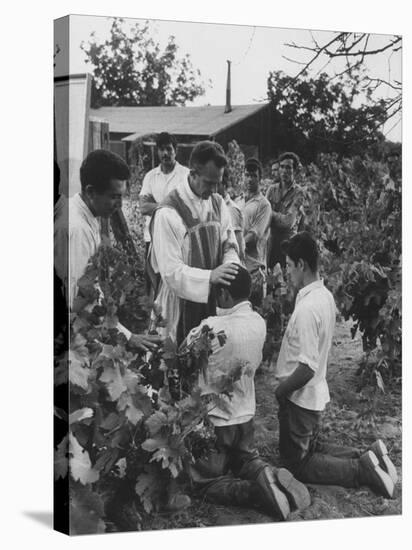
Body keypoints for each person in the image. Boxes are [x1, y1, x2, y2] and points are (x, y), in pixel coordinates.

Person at [274, 232, 397, 498]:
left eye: (288, 265)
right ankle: (368, 456)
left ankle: (361, 471)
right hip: (314, 393)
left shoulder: (307, 309)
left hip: (300, 397)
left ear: (301, 265)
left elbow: (306, 366)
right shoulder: (324, 296)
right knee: (313, 446)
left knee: (298, 463)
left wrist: (282, 391)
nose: (286, 272)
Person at [186, 266, 310, 520]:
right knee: (246, 460)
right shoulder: (258, 323)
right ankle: (270, 475)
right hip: (245, 419)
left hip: (214, 424)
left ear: (225, 296)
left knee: (204, 481)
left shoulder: (208, 329)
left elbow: (183, 356)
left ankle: (256, 493)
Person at [54, 148, 161, 352]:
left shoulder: (89, 215)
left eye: (122, 196)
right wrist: (128, 337)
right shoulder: (77, 230)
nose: (119, 205)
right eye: (114, 197)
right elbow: (76, 304)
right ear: (91, 191)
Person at [150, 140, 240, 344]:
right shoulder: (168, 213)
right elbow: (171, 272)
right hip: (179, 305)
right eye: (209, 182)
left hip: (211, 300)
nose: (214, 189)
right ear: (192, 173)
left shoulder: (217, 203)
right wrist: (209, 277)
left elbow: (229, 242)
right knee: (178, 363)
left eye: (218, 182)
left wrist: (230, 266)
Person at [139, 132, 190, 255]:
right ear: (157, 151)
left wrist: (155, 205)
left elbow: (188, 207)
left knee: (176, 273)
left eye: (169, 149)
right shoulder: (150, 176)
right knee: (152, 273)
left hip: (178, 238)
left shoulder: (186, 175)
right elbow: (143, 207)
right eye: (161, 149)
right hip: (152, 237)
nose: (165, 153)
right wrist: (173, 205)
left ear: (175, 150)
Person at [266, 152, 306, 269]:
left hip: (289, 247)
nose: (284, 171)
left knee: (286, 281)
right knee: (269, 280)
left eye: (288, 167)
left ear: (295, 171)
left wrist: (270, 213)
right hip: (271, 245)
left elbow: (288, 222)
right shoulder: (271, 190)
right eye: (282, 167)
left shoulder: (299, 193)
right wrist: (273, 216)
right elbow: (263, 216)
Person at [242, 158, 272, 306]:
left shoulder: (264, 205)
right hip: (239, 267)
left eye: (253, 175)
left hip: (255, 271)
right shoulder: (238, 200)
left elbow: (255, 235)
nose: (250, 179)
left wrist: (236, 243)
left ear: (260, 178)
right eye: (247, 175)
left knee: (256, 314)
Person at [217, 167, 245, 262]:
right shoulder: (213, 206)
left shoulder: (232, 209)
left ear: (224, 185)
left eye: (217, 184)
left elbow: (239, 246)